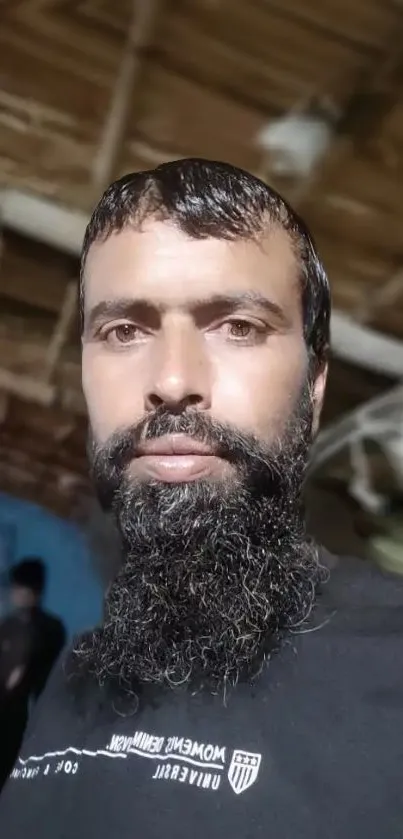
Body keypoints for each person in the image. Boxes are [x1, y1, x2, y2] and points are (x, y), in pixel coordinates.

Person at [0, 159, 402, 836]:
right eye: (123, 330)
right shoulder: (80, 669)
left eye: (237, 325)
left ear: (314, 387)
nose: (173, 379)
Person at [0, 558, 66, 789]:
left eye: (18, 587)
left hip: (25, 718)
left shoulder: (47, 629)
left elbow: (39, 677)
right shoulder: (9, 626)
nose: (13, 593)